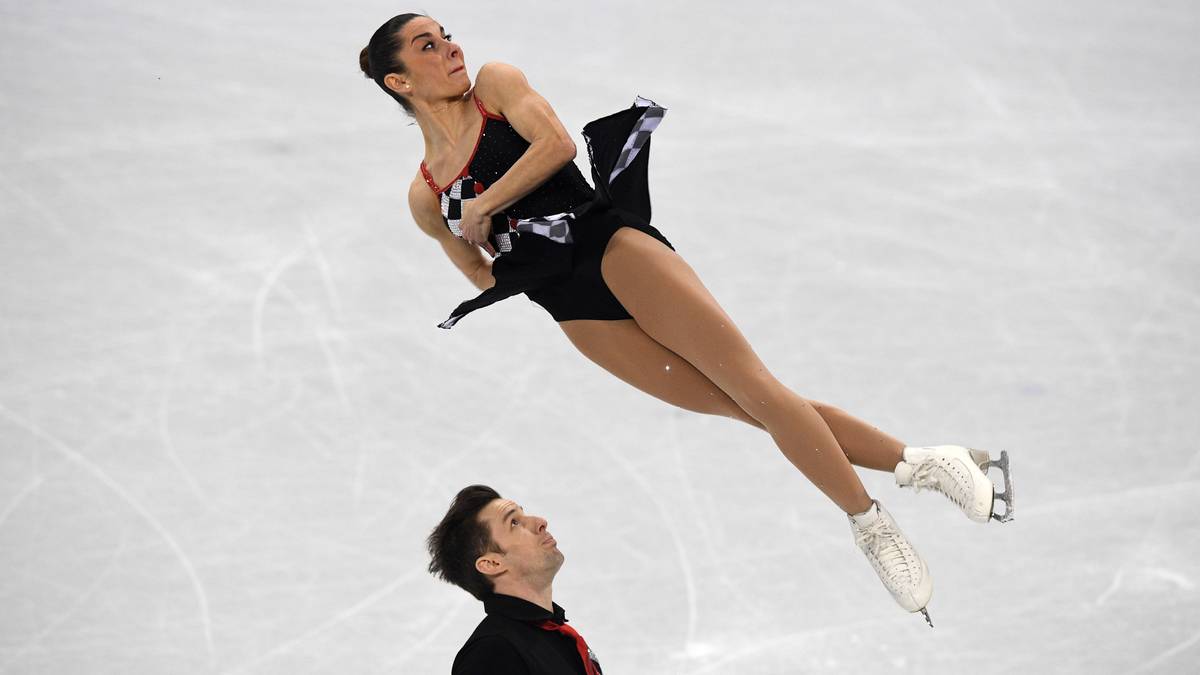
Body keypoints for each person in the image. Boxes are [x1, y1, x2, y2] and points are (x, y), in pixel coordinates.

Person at [360, 14, 1015, 626]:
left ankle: (870, 523)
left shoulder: (495, 88)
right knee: (744, 406)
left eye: (446, 36)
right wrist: (501, 261)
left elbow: (556, 145)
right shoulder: (426, 196)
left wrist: (492, 201)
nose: (451, 49)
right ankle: (925, 462)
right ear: (399, 80)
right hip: (571, 308)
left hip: (613, 249)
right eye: (428, 46)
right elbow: (477, 270)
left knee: (759, 389)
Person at [428, 485, 603, 674]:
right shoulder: (491, 655)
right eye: (514, 522)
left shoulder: (555, 638)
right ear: (492, 563)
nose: (540, 522)